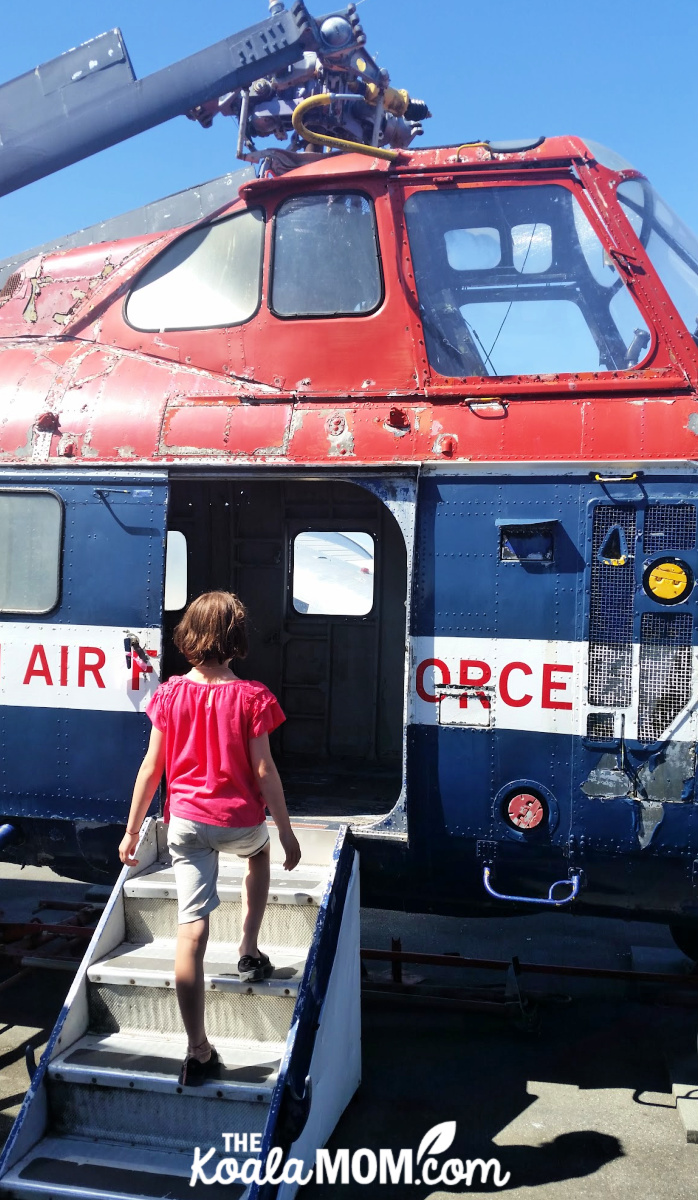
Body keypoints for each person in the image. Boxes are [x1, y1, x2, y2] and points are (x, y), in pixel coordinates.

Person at [118, 590, 301, 1086]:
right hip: (239, 820)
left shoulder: (170, 694)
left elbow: (152, 768)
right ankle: (248, 947)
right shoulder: (252, 697)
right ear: (236, 639)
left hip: (186, 825)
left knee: (191, 932)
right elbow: (264, 771)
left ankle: (197, 1049)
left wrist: (133, 830)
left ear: (190, 637)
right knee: (257, 854)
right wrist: (284, 831)